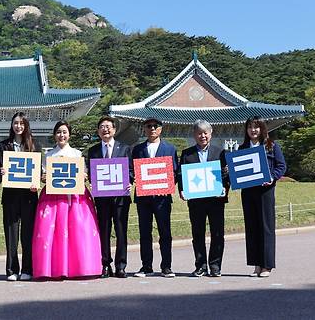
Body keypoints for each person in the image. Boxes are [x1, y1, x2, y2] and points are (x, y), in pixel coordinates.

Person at [32, 121, 102, 279]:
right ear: (54, 135)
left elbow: (84, 175)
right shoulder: (49, 155)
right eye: (58, 132)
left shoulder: (77, 154)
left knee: (77, 231)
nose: (61, 135)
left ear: (69, 134)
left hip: (75, 198)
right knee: (52, 232)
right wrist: (44, 178)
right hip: (53, 198)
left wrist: (83, 176)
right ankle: (55, 267)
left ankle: (78, 267)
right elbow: (43, 176)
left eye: (64, 132)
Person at [177, 120, 229, 277]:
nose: (203, 136)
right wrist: (181, 190)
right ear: (194, 135)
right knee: (197, 234)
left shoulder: (221, 153)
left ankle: (215, 266)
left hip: (216, 200)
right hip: (196, 200)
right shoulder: (187, 154)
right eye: (199, 133)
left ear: (211, 134)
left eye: (205, 132)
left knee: (218, 233)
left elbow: (227, 175)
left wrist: (225, 188)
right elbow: (180, 175)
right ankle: (200, 265)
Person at [86, 116, 132, 279]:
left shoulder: (125, 148)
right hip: (102, 198)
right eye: (102, 127)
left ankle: (121, 265)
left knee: (121, 231)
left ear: (114, 130)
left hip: (120, 198)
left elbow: (131, 171)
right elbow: (91, 173)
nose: (105, 129)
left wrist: (130, 182)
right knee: (104, 231)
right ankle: (105, 264)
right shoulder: (93, 151)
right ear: (98, 131)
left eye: (108, 127)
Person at [239, 116, 286, 278]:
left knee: (266, 227)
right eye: (250, 127)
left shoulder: (271, 146)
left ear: (262, 129)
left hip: (265, 192)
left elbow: (281, 166)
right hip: (248, 192)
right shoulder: (242, 148)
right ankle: (256, 264)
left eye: (256, 127)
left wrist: (272, 177)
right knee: (252, 227)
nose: (253, 130)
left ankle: (267, 265)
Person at [132, 117, 178, 278]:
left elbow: (174, 171)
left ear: (161, 129)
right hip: (143, 198)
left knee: (165, 231)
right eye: (148, 126)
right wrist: (134, 178)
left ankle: (166, 266)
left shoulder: (170, 149)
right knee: (145, 232)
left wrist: (167, 184)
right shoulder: (137, 149)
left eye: (155, 126)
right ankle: (146, 266)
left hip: (162, 198)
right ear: (144, 129)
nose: (152, 128)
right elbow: (132, 171)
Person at [0, 112, 40, 281]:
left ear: (26, 125)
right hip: (10, 196)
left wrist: (35, 181)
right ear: (12, 125)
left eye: (22, 123)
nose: (18, 126)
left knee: (27, 234)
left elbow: (37, 171)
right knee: (11, 234)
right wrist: (1, 172)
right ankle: (11, 269)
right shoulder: (4, 146)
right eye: (16, 123)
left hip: (29, 196)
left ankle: (27, 269)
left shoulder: (33, 145)